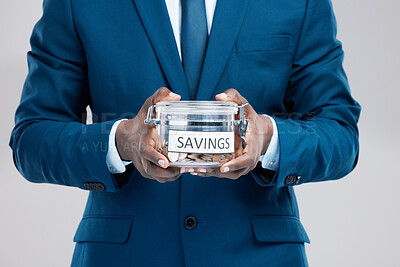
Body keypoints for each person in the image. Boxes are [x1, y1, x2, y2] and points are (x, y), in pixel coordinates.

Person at [9, 0, 360, 266]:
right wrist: (122, 142)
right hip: (124, 256)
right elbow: (32, 136)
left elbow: (340, 132)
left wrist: (268, 137)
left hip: (258, 256)